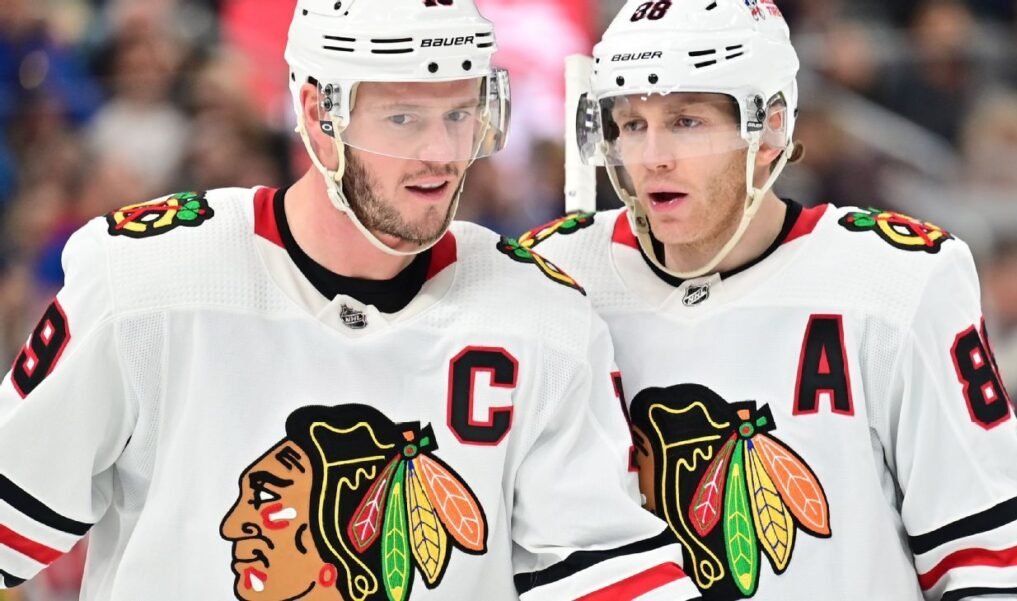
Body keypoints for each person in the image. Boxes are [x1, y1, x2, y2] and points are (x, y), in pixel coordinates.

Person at [0, 2, 701, 599]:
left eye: (460, 113)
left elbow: (608, 579)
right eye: (403, 118)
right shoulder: (145, 280)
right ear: (317, 114)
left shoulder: (542, 316)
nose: (441, 153)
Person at [525, 0, 1017, 598]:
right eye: (632, 125)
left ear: (770, 128)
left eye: (686, 122)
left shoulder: (895, 280)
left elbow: (1002, 569)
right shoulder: (549, 279)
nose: (653, 157)